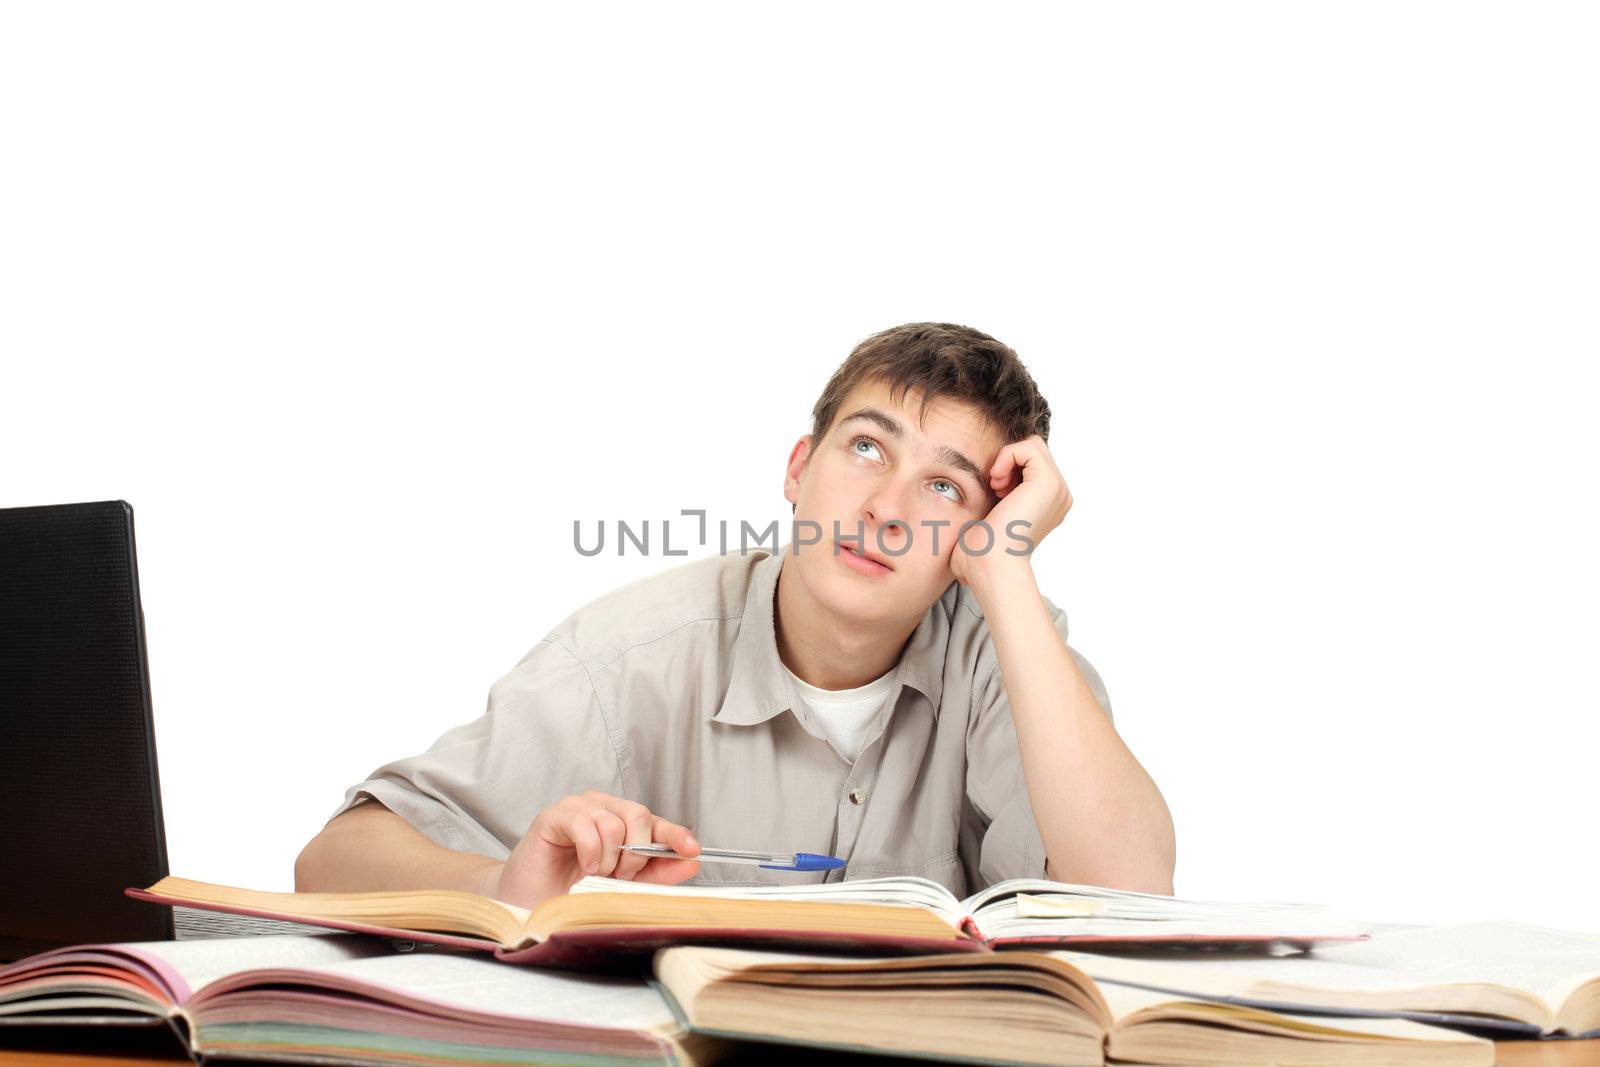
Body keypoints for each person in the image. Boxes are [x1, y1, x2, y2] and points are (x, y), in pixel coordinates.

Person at [294, 323, 1176, 909]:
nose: (886, 509)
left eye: (944, 485)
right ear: (799, 468)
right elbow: (330, 864)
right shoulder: (634, 652)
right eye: (866, 447)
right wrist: (505, 882)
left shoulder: (1010, 653)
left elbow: (1133, 891)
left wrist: (1007, 573)